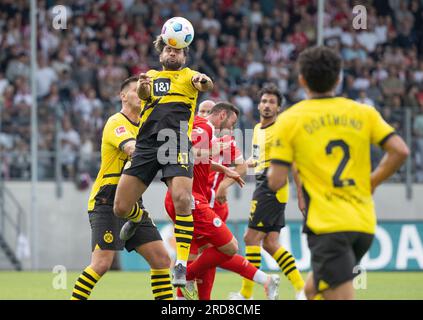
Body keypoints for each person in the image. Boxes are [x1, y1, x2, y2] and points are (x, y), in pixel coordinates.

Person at [268, 46, 409, 300]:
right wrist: (372, 181)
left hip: (328, 227)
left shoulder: (290, 119)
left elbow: (276, 181)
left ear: (301, 80)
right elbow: (400, 151)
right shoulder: (363, 112)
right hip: (364, 225)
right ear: (339, 78)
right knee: (314, 288)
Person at [113, 36, 213, 287]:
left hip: (176, 143)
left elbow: (205, 84)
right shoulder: (150, 77)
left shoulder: (190, 76)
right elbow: (144, 95)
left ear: (184, 57)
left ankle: (180, 264)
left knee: (182, 199)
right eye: (168, 50)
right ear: (161, 54)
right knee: (121, 208)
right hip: (146, 145)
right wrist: (144, 86)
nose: (172, 54)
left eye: (177, 51)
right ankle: (138, 218)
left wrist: (204, 80)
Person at [71, 77, 173, 300]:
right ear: (123, 96)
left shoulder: (146, 126)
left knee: (162, 260)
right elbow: (132, 149)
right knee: (101, 264)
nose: (142, 94)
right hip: (107, 199)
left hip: (132, 200)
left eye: (144, 90)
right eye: (137, 91)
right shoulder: (115, 122)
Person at [166, 102, 280, 300]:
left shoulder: (226, 141)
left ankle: (186, 287)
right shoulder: (202, 129)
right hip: (194, 202)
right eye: (200, 112)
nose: (201, 116)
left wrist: (223, 183)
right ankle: (264, 280)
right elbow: (188, 155)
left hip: (211, 205)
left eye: (205, 112)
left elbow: (242, 166)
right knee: (208, 254)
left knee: (204, 255)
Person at [230, 84, 305, 300]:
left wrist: (300, 196)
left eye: (272, 102)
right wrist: (241, 165)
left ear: (279, 108)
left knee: (250, 238)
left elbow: (294, 164)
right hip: (264, 184)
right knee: (271, 243)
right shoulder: (256, 129)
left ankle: (246, 294)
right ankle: (301, 288)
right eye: (264, 101)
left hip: (272, 186)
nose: (267, 105)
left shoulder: (281, 130)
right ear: (258, 104)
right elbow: (257, 159)